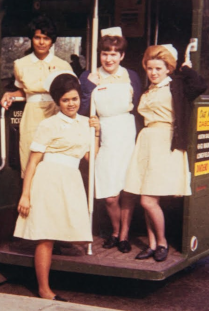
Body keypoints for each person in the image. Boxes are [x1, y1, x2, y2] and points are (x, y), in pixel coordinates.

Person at [13, 72, 100, 302]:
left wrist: (97, 131)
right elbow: (32, 162)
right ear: (57, 102)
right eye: (65, 100)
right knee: (46, 236)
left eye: (74, 99)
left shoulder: (85, 122)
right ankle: (44, 289)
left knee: (72, 235)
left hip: (71, 180)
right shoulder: (48, 124)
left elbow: (92, 156)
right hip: (48, 179)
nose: (71, 104)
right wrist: (25, 194)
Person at [124, 44, 207, 262]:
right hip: (146, 142)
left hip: (165, 143)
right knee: (146, 195)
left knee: (147, 200)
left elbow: (200, 86)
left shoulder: (176, 86)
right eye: (150, 68)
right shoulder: (148, 89)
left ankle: (162, 242)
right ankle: (151, 244)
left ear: (168, 68)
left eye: (158, 69)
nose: (153, 73)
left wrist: (187, 69)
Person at [78, 27, 143, 253]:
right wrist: (89, 88)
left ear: (122, 56)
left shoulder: (131, 76)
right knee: (109, 195)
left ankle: (122, 235)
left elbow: (140, 109)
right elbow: (83, 109)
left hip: (126, 133)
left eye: (114, 53)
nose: (109, 58)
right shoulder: (88, 76)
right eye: (105, 53)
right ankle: (115, 229)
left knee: (127, 189)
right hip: (102, 133)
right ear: (100, 54)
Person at [0, 15, 72, 177]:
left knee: (55, 163)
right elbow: (23, 91)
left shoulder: (63, 65)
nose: (41, 42)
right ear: (32, 39)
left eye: (46, 38)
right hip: (32, 117)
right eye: (37, 37)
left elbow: (71, 94)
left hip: (55, 114)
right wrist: (10, 94)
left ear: (52, 41)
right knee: (30, 160)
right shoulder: (20, 64)